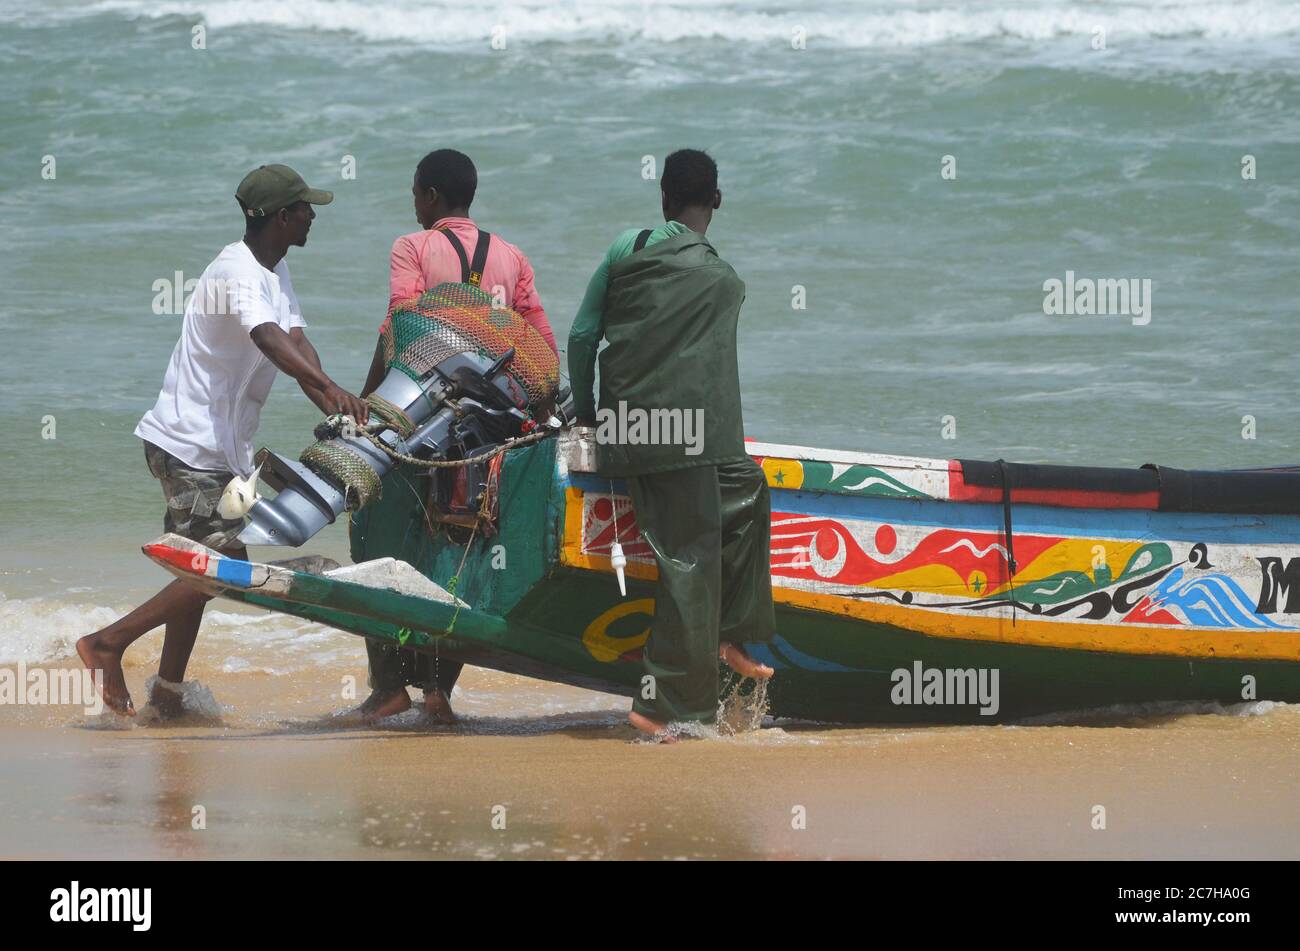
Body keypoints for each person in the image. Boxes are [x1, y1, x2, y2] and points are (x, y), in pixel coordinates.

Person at [78, 164, 369, 717]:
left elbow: (296, 343)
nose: (313, 216)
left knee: (202, 571)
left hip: (215, 449)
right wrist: (328, 388)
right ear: (283, 216)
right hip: (190, 444)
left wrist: (336, 404)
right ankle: (105, 644)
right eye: (306, 208)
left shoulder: (274, 269)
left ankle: (166, 692)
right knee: (222, 568)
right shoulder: (237, 270)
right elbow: (265, 337)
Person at [567, 149, 776, 741]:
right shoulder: (721, 278)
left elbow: (582, 338)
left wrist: (588, 414)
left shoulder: (625, 248)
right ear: (717, 200)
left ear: (662, 198)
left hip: (643, 428)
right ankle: (656, 706)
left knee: (746, 488)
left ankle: (727, 629)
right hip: (662, 437)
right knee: (689, 551)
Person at [347, 148, 557, 726]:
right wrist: (536, 421)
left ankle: (388, 687)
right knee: (458, 547)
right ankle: (437, 691)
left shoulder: (412, 247)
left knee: (379, 539)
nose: (413, 204)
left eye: (416, 193)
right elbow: (538, 347)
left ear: (432, 197)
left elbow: (401, 328)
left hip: (423, 423)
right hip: (487, 436)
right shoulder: (511, 257)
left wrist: (369, 405)